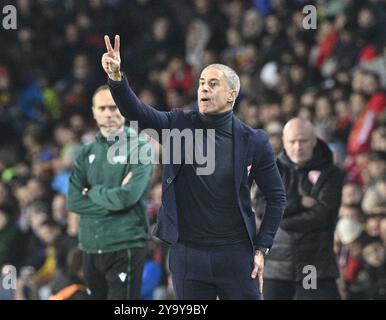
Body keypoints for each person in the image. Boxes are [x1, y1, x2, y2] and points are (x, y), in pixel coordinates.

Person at [101, 35, 286, 300]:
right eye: (201, 83)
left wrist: (262, 247)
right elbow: (137, 113)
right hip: (188, 255)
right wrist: (117, 79)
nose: (203, 89)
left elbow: (277, 197)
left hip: (236, 254)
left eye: (213, 84)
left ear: (232, 94)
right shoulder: (178, 124)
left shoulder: (253, 140)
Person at [67, 85, 153, 300]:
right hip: (90, 247)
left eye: (114, 108)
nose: (108, 114)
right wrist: (113, 199)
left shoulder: (139, 148)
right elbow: (74, 202)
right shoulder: (85, 152)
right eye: (102, 108)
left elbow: (127, 198)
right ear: (94, 112)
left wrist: (92, 191)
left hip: (125, 245)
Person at [263, 118, 344, 300]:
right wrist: (299, 203)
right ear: (284, 142)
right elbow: (262, 207)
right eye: (292, 141)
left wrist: (282, 219)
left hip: (313, 266)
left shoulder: (331, 173)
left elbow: (324, 214)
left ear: (314, 141)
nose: (297, 146)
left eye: (303, 140)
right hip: (276, 268)